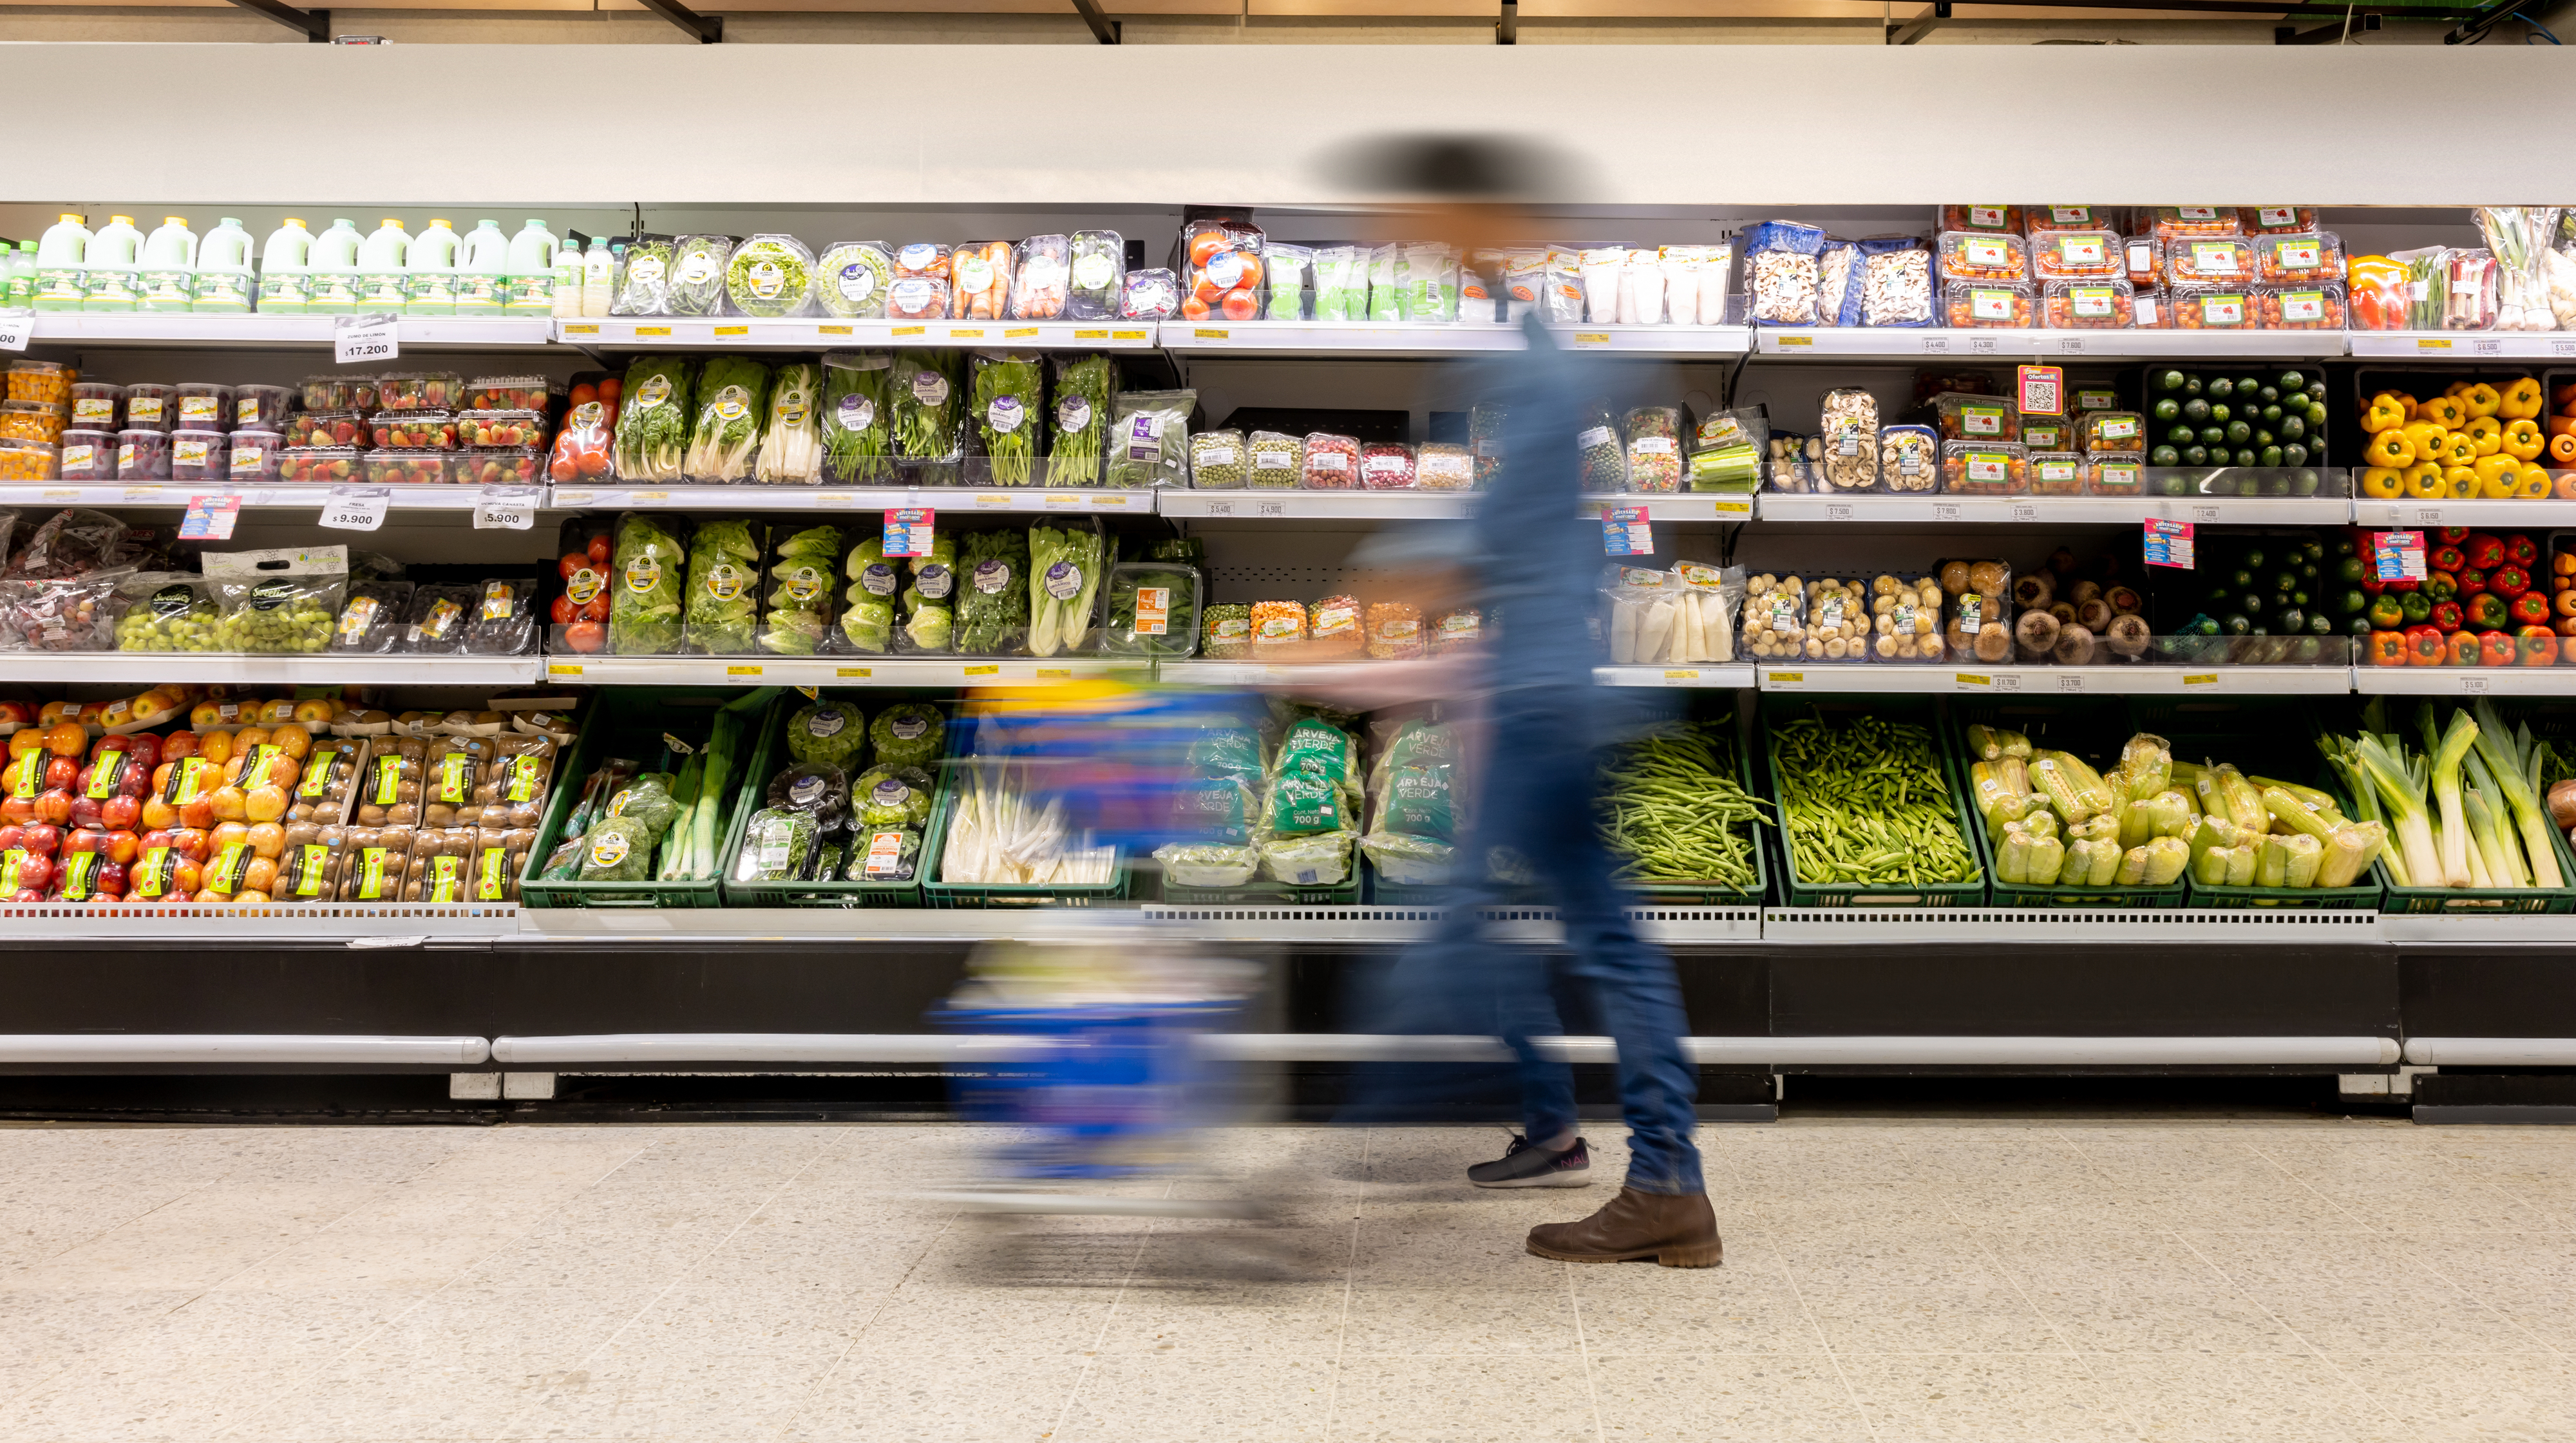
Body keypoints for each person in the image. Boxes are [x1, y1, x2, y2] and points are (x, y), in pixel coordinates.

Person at [1326, 134, 1721, 1269]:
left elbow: (1490, 538)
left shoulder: (1538, 370)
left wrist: (1372, 590)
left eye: (1433, 217)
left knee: (1459, 935)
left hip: (1546, 703)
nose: (1410, 237)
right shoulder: (1533, 344)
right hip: (1546, 689)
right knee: (1580, 940)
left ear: (1483, 215)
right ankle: (1635, 1167)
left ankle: (1324, 1196)